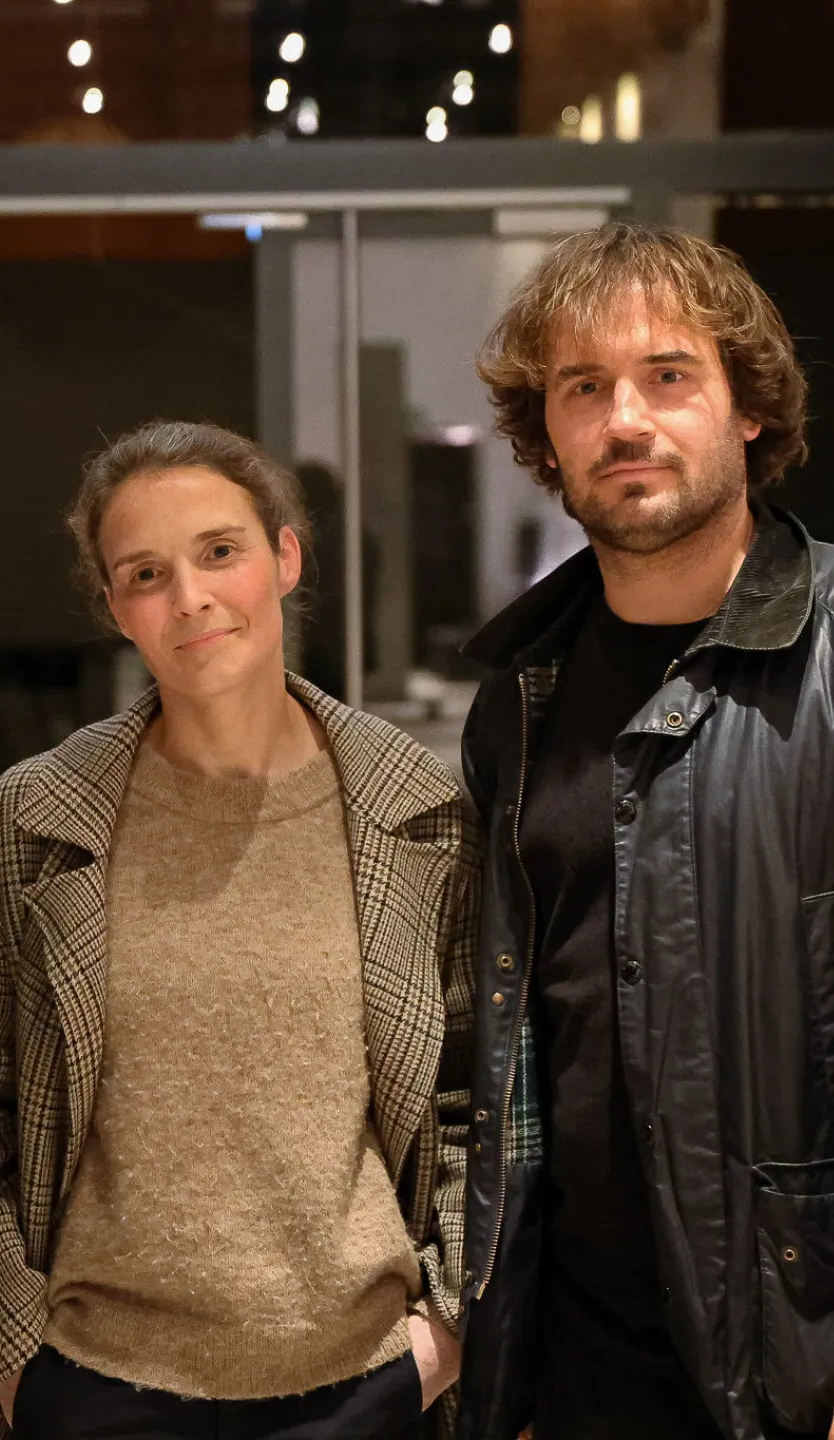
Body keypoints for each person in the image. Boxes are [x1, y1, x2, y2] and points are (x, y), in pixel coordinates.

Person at [0, 419, 479, 1440]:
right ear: (115, 606)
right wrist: (24, 1376)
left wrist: (439, 1341)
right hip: (95, 1389)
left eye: (221, 552)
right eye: (146, 573)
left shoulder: (420, 818)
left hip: (366, 1388)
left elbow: (476, 1101)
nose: (192, 599)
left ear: (285, 556)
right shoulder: (28, 827)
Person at [455, 219, 834, 1440]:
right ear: (547, 435)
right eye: (583, 387)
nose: (625, 419)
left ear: (749, 411)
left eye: (668, 375)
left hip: (792, 1358)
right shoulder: (516, 695)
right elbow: (506, 1043)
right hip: (574, 1363)